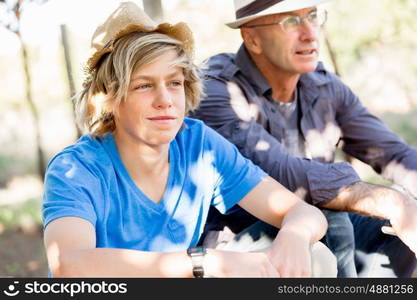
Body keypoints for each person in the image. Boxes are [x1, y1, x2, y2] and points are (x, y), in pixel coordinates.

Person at [42, 2, 336, 278]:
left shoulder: (198, 145)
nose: (165, 100)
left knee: (315, 255)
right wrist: (202, 262)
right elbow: (69, 265)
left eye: (174, 83)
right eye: (144, 85)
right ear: (108, 99)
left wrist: (295, 234)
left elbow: (302, 212)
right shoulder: (75, 168)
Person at [190, 0, 417, 277]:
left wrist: (406, 203)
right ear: (252, 38)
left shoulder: (324, 85)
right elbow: (286, 176)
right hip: (236, 250)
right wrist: (391, 201)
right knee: (330, 215)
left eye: (312, 16)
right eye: (290, 21)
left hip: (313, 235)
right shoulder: (215, 91)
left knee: (405, 215)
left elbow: (396, 155)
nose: (310, 33)